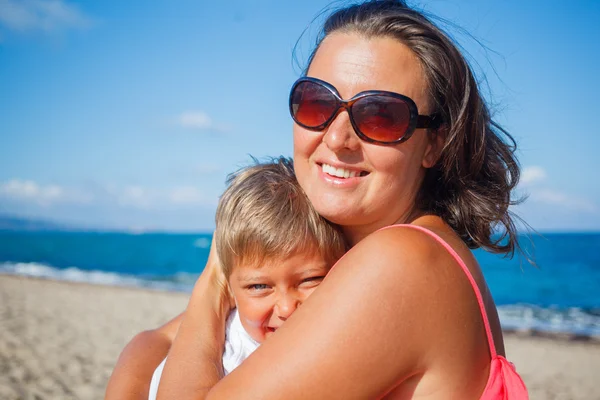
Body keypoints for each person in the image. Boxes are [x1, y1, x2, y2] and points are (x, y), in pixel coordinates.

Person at [107, 1, 529, 398]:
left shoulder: (402, 261)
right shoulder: (349, 254)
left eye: (381, 115)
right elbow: (151, 343)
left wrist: (214, 283)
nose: (336, 138)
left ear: (435, 142)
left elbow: (168, 344)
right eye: (317, 102)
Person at [146, 158, 346, 399]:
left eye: (310, 280)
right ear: (229, 288)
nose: (286, 307)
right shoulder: (223, 357)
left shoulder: (350, 337)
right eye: (259, 286)